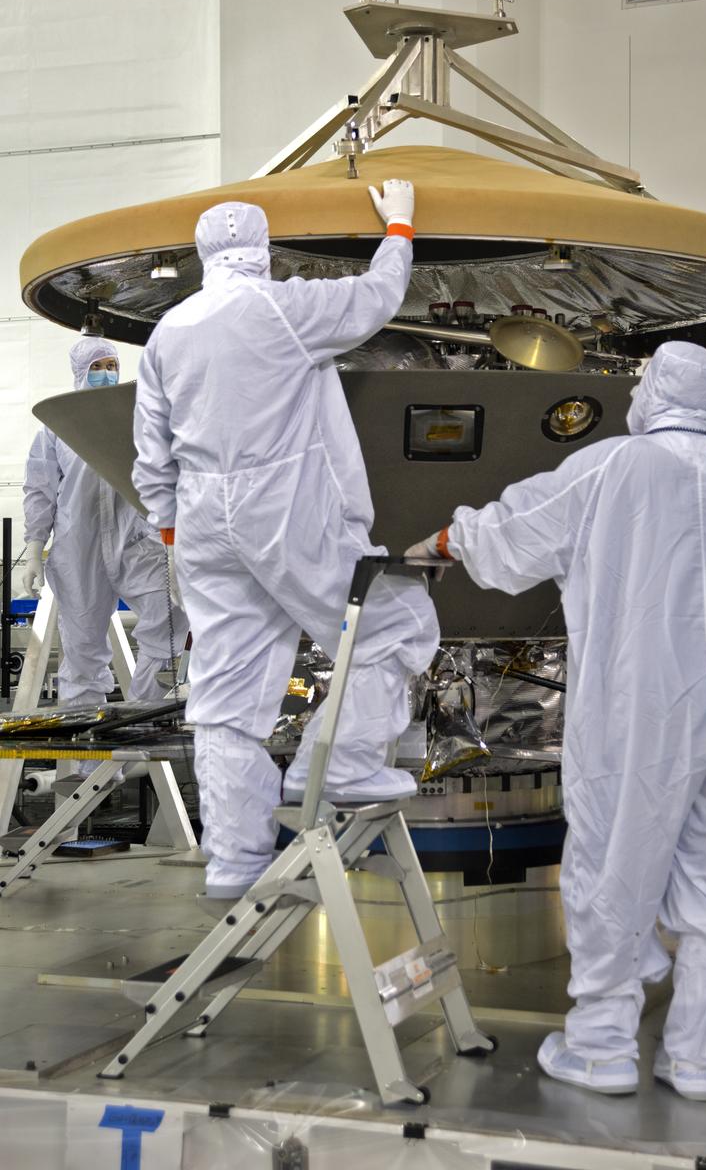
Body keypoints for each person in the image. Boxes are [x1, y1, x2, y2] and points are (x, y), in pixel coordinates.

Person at [407, 342, 706, 1101]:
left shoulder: (610, 466)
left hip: (645, 707)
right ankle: (696, 1058)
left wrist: (446, 537)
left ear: (651, 389)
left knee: (615, 869)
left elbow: (510, 538)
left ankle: (602, 1047)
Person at [132, 186, 439, 900]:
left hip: (202, 516)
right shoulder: (283, 306)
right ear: (264, 249)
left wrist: (173, 524)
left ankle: (235, 864)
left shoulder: (170, 331)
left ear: (203, 253)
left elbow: (151, 449)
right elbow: (377, 297)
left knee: (226, 692)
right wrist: (398, 225)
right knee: (391, 623)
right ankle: (342, 766)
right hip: (285, 505)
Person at [22, 338, 188, 721]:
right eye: (96, 367)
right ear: (80, 372)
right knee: (82, 652)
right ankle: (86, 757)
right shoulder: (56, 428)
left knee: (170, 624)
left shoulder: (138, 416)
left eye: (111, 364)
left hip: (138, 542)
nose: (106, 373)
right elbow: (40, 490)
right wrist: (34, 548)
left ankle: (144, 721)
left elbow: (169, 477)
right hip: (79, 548)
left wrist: (175, 545)